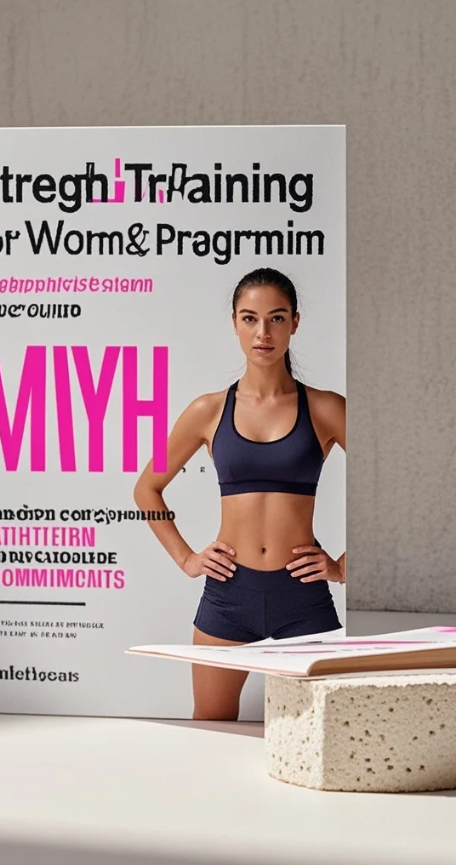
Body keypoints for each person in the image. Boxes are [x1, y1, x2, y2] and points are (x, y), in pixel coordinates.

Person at [133, 267, 346, 721]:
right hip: (229, 595)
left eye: (276, 318)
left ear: (295, 323)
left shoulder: (327, 408)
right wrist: (188, 559)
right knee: (211, 725)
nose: (263, 332)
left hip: (302, 596)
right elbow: (147, 488)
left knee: (320, 735)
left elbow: (391, 489)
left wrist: (344, 566)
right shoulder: (207, 410)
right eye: (250, 319)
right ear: (234, 323)